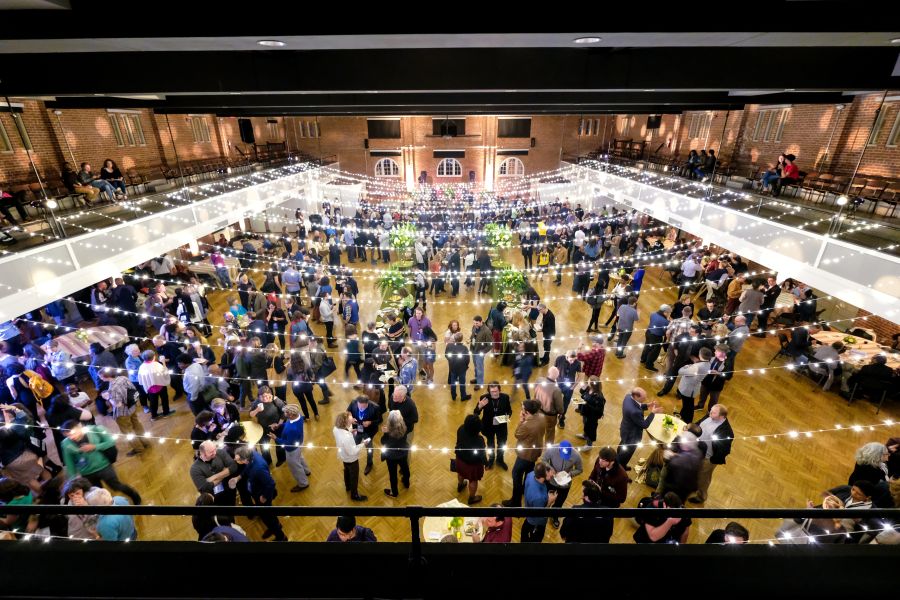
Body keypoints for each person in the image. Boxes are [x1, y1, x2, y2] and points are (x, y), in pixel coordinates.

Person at [60, 420, 141, 506]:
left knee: (116, 486)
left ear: (80, 426)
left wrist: (95, 447)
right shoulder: (66, 444)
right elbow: (69, 464)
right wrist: (73, 480)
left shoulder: (94, 430)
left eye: (73, 433)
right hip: (87, 473)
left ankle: (135, 496)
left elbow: (110, 442)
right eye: (68, 436)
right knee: (97, 495)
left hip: (104, 466)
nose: (72, 437)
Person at [234, 446, 287, 541]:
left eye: (238, 459)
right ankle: (275, 526)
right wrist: (239, 477)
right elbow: (247, 468)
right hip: (257, 491)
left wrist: (264, 496)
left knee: (268, 517)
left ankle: (281, 537)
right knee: (267, 515)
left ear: (245, 459)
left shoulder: (259, 469)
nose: (235, 460)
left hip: (262, 495)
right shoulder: (251, 454)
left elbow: (271, 483)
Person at [502, 399, 545, 507]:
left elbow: (517, 434)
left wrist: (521, 420)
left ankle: (515, 502)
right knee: (529, 474)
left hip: (525, 455)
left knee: (516, 475)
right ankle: (524, 491)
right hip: (535, 452)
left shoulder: (527, 425)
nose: (521, 410)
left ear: (527, 411)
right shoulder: (541, 417)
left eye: (523, 408)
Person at [98, 372, 150, 457]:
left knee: (128, 431)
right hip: (132, 407)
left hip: (122, 413)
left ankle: (138, 448)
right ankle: (145, 442)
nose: (101, 379)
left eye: (101, 377)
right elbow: (133, 389)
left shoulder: (113, 388)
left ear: (105, 376)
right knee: (137, 425)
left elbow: (118, 404)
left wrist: (108, 397)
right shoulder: (123, 378)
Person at [689, 405, 734, 503]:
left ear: (722, 416)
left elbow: (724, 450)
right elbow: (698, 424)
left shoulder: (726, 432)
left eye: (713, 412)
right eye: (711, 411)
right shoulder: (709, 416)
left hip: (708, 458)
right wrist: (690, 428)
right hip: (696, 451)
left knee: (703, 478)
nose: (710, 413)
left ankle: (701, 496)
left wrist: (711, 460)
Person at [617, 387, 663, 469]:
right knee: (627, 453)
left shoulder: (628, 397)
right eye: (643, 398)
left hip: (625, 429)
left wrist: (648, 405)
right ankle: (620, 467)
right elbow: (645, 425)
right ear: (636, 396)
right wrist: (653, 413)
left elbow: (638, 405)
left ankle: (620, 461)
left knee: (622, 446)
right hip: (632, 435)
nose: (645, 399)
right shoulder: (635, 412)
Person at [541, 440, 583, 527]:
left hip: (565, 484)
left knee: (560, 502)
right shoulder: (552, 449)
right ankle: (544, 511)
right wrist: (550, 468)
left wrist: (570, 474)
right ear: (559, 448)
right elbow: (543, 459)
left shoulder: (576, 455)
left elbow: (580, 469)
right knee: (546, 497)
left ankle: (554, 515)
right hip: (551, 481)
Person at [271, 404, 310, 492]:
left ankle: (303, 483)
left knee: (295, 466)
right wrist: (280, 425)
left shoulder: (293, 429)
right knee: (300, 457)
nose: (284, 414)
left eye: (286, 413)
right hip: (299, 443)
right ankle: (307, 471)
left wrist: (275, 438)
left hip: (292, 450)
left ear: (291, 415)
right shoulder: (299, 416)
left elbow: (288, 444)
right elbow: (288, 422)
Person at [474, 382, 512, 470]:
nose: (494, 393)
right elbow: (476, 413)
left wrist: (502, 419)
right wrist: (479, 406)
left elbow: (509, 411)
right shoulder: (484, 398)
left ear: (499, 390)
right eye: (492, 392)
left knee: (501, 444)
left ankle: (500, 459)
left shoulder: (505, 397)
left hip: (501, 426)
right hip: (488, 426)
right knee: (490, 444)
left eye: (496, 391)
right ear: (489, 391)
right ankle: (491, 459)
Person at [190, 440, 238, 506]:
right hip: (214, 497)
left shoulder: (220, 452)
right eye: (211, 452)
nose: (215, 453)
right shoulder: (194, 469)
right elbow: (205, 487)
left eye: (215, 449)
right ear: (203, 454)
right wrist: (225, 472)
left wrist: (213, 477)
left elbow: (234, 467)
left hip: (229, 489)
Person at [333, 411, 368, 501]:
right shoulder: (347, 437)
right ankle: (354, 494)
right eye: (350, 419)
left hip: (343, 455)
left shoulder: (336, 428)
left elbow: (345, 432)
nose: (352, 419)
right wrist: (363, 443)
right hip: (351, 459)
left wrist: (351, 430)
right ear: (345, 422)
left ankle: (347, 486)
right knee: (354, 476)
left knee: (346, 471)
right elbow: (353, 451)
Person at [454, 414, 488, 505]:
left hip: (460, 458)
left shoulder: (461, 429)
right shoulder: (479, 440)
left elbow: (458, 442)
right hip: (473, 464)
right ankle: (472, 498)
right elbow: (482, 454)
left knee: (460, 473)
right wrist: (486, 463)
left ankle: (460, 485)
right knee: (473, 480)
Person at [347, 394, 382, 475]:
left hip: (369, 432)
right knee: (355, 445)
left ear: (367, 403)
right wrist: (350, 417)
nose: (360, 409)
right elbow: (348, 411)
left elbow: (379, 420)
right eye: (359, 407)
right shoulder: (353, 402)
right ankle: (352, 461)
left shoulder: (375, 407)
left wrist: (370, 422)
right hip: (357, 429)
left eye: (363, 407)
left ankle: (370, 463)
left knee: (369, 448)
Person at [521, 462, 556, 543]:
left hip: (528, 512)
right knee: (535, 541)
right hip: (536, 523)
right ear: (542, 476)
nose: (550, 472)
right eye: (547, 472)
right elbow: (540, 515)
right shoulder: (538, 497)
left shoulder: (531, 474)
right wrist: (550, 502)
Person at [380, 410, 410, 498]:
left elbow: (383, 442)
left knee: (393, 474)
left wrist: (385, 433)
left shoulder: (388, 433)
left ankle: (394, 492)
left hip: (391, 456)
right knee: (405, 468)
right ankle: (406, 483)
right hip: (403, 453)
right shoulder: (404, 427)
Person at [137, 349, 172, 421]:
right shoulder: (157, 365)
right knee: (164, 399)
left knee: (153, 402)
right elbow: (165, 373)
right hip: (161, 385)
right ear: (154, 357)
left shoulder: (142, 367)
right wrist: (163, 363)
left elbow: (140, 379)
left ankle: (154, 416)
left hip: (150, 388)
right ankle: (166, 412)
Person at [469, 316, 493, 390]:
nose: (475, 325)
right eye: (474, 323)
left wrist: (483, 352)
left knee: (480, 368)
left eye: (476, 323)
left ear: (481, 321)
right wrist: (470, 340)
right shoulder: (474, 327)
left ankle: (480, 383)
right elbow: (473, 335)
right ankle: (476, 378)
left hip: (480, 352)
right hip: (473, 350)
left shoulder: (487, 331)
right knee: (476, 366)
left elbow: (490, 345)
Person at [446, 332, 471, 401]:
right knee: (462, 382)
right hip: (462, 368)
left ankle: (453, 395)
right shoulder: (464, 348)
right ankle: (463, 396)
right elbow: (467, 359)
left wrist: (450, 361)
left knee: (453, 381)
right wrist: (466, 366)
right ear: (462, 339)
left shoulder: (449, 345)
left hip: (452, 367)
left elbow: (446, 355)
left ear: (454, 338)